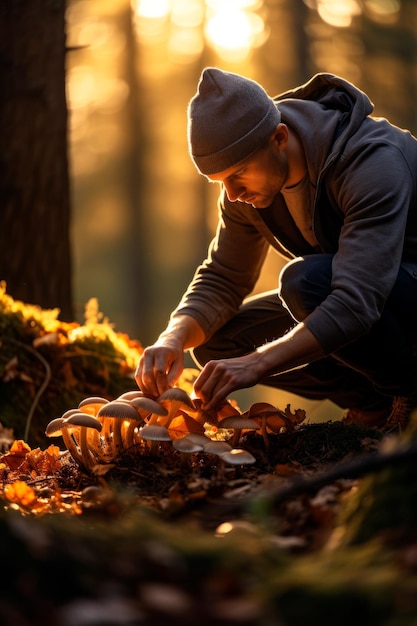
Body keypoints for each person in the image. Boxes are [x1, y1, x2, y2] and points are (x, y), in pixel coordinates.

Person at [135, 68, 417, 429]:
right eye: (221, 183)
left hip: (400, 292)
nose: (233, 194)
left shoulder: (372, 160)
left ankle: (409, 394)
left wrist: (258, 363)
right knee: (217, 347)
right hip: (365, 300)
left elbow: (355, 302)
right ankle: (374, 406)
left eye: (238, 174)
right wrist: (172, 337)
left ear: (279, 137)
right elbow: (224, 279)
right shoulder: (248, 185)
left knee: (304, 283)